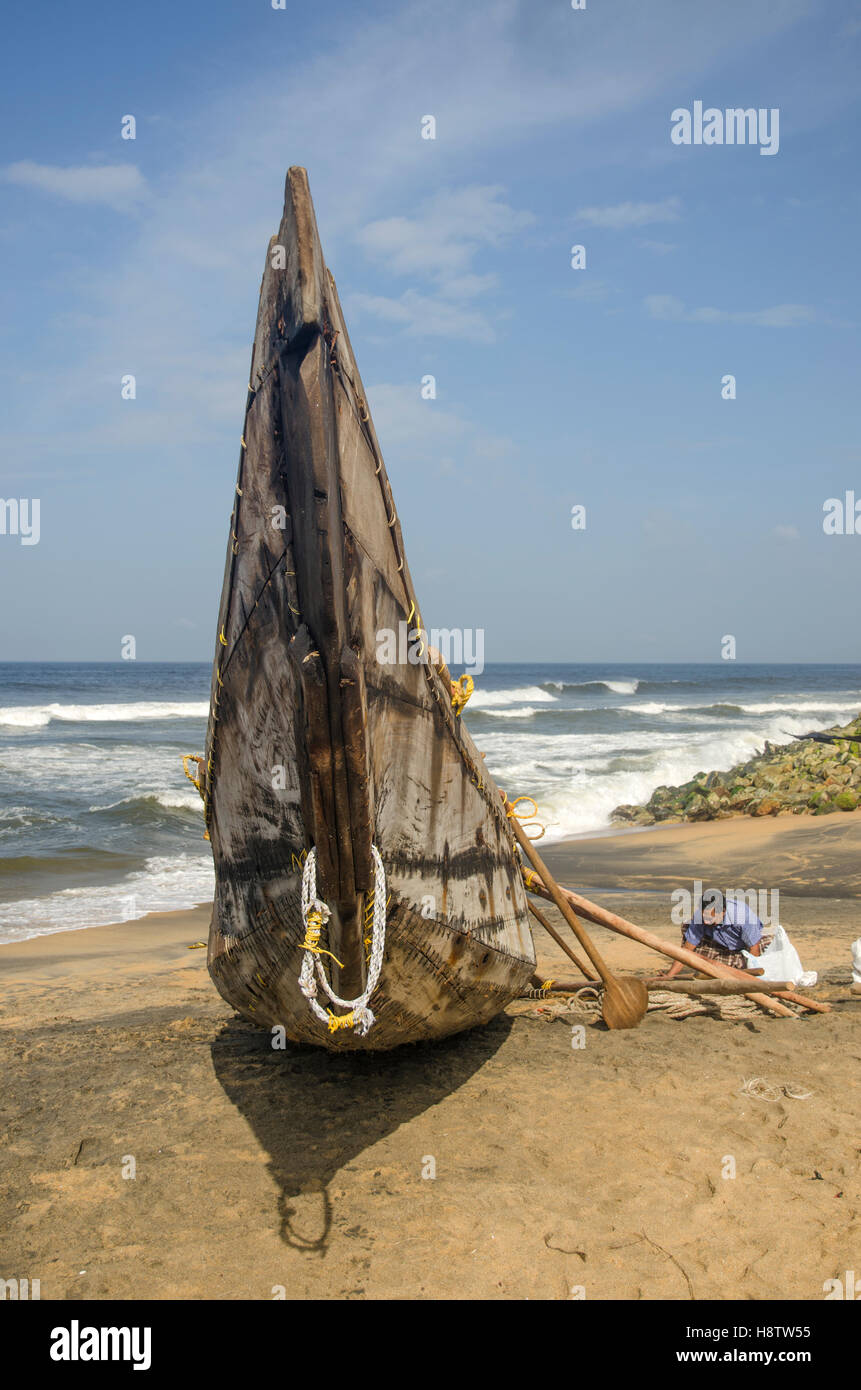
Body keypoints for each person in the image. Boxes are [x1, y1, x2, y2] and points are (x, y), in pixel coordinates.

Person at [662, 889, 763, 978]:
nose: (706, 922)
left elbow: (754, 949)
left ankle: (732, 963)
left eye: (710, 918)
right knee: (687, 926)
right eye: (704, 917)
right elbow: (687, 949)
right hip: (719, 944)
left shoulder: (742, 916)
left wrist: (751, 979)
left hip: (744, 947)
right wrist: (669, 975)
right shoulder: (700, 917)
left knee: (738, 968)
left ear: (723, 912)